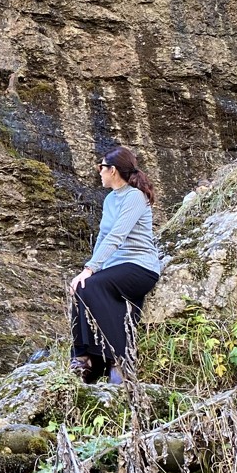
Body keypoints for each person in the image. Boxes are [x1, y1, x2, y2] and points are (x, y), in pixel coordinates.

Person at [68, 145, 160, 384]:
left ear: (114, 170)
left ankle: (120, 360)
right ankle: (84, 359)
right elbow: (102, 237)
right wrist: (89, 270)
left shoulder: (135, 197)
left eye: (101, 167)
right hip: (115, 268)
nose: (99, 172)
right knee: (82, 287)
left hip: (140, 267)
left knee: (91, 284)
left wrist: (90, 269)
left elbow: (117, 235)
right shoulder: (110, 199)